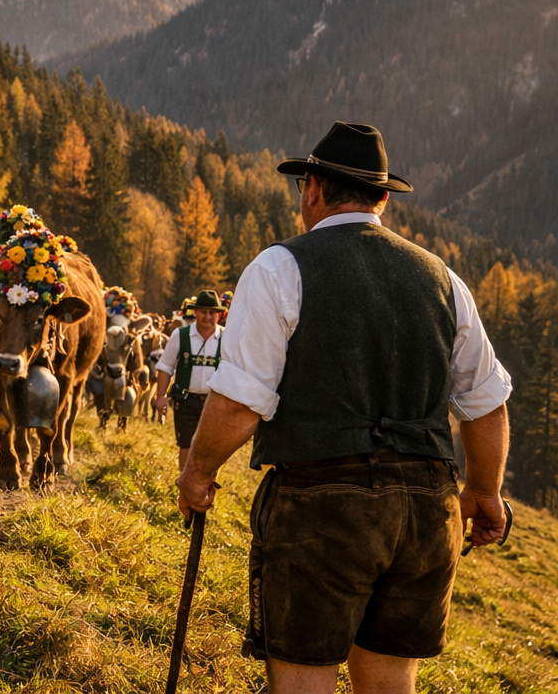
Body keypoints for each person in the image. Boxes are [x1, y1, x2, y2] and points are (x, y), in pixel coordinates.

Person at [176, 122, 511, 694]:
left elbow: (239, 402)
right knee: (388, 683)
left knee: (304, 680)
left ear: (312, 189)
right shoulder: (445, 280)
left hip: (322, 505)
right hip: (426, 513)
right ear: (382, 198)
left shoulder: (280, 268)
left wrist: (198, 471)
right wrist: (484, 492)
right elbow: (485, 406)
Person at [152, 289, 223, 466]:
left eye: (212, 312)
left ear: (219, 315)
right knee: (186, 448)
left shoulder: (227, 337)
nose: (208, 317)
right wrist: (160, 397)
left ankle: (207, 491)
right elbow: (165, 366)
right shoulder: (180, 335)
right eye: (204, 312)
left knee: (212, 451)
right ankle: (186, 490)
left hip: (215, 403)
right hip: (186, 401)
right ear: (195, 312)